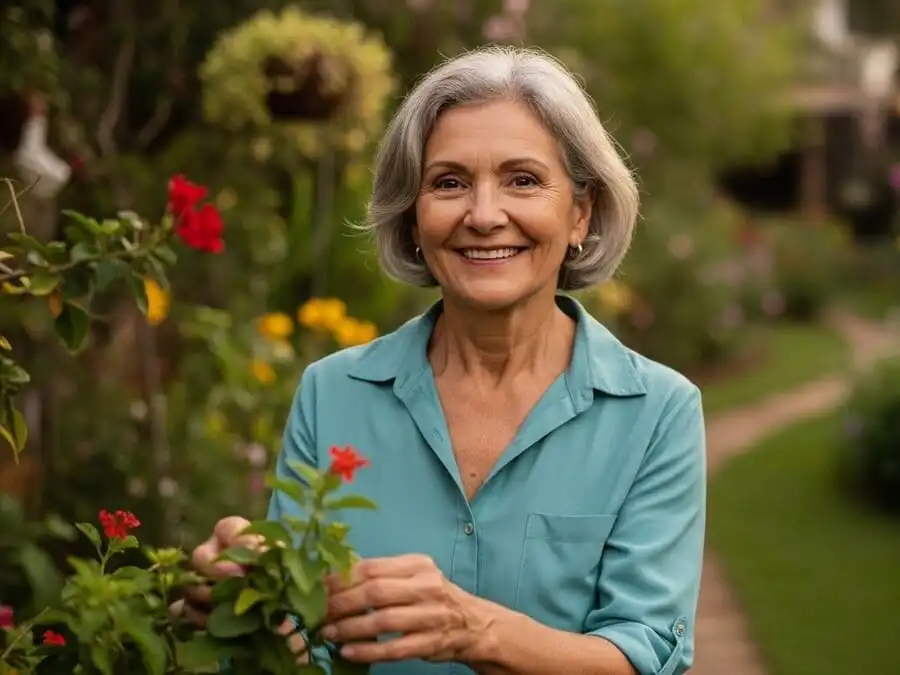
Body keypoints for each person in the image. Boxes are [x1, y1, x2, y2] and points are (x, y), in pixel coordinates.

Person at [178, 46, 706, 675]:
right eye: (449, 182)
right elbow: (301, 640)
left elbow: (645, 655)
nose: (483, 216)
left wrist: (475, 630)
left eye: (523, 180)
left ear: (580, 215)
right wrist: (247, 606)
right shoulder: (333, 392)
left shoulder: (657, 413)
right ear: (414, 215)